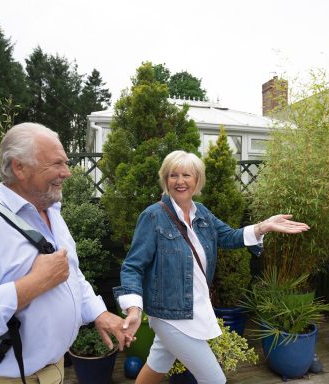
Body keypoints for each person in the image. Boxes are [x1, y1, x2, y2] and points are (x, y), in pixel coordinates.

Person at [0, 122, 132, 384]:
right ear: (19, 167)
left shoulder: (52, 213)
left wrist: (97, 313)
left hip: (54, 372)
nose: (67, 173)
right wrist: (32, 285)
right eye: (57, 164)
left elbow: (71, 274)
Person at [114, 150, 310, 384]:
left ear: (197, 180)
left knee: (157, 365)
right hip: (170, 316)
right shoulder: (153, 216)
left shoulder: (202, 214)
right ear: (165, 180)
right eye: (173, 175)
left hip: (195, 309)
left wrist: (263, 227)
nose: (180, 181)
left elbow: (229, 236)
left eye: (186, 175)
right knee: (215, 380)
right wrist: (134, 309)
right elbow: (132, 266)